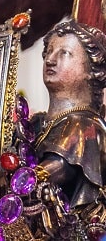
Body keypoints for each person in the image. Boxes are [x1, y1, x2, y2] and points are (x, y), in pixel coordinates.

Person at [31, 20, 106, 231]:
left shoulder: (85, 125)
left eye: (64, 53)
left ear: (91, 70)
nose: (50, 60)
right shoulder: (35, 124)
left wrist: (19, 176)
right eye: (49, 52)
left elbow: (57, 169)